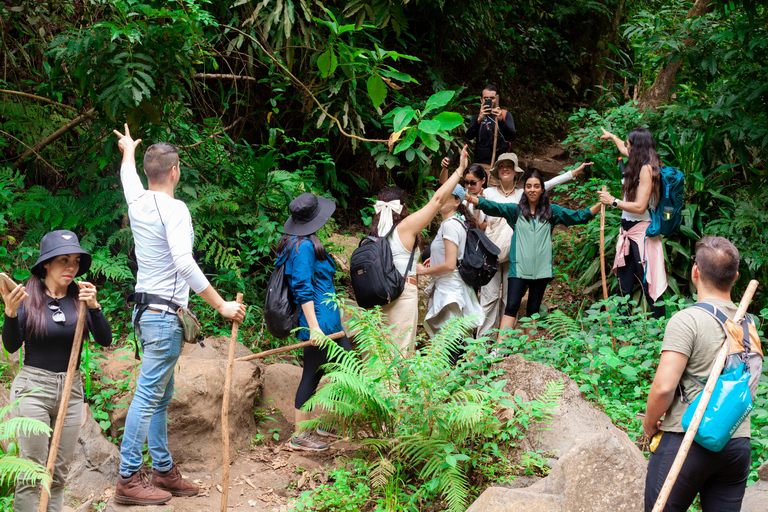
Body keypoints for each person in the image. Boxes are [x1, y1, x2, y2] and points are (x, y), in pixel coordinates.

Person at [113, 125, 247, 504]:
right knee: (148, 394)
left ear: (150, 171)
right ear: (175, 172)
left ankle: (163, 470)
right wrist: (221, 304)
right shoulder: (176, 209)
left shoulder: (136, 200)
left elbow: (128, 178)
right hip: (162, 316)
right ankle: (127, 478)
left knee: (159, 393)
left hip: (145, 313)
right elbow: (183, 262)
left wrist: (127, 152)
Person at [1, 230, 113, 512]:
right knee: (32, 472)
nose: (71, 267)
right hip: (34, 390)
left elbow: (105, 340)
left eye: (75, 261)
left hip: (71, 392)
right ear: (46, 265)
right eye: (63, 260)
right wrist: (11, 314)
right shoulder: (27, 298)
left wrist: (95, 307)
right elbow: (12, 346)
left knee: (58, 474)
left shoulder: (81, 297)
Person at [643, 236, 750, 511]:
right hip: (736, 444)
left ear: (695, 272)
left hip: (687, 439)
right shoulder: (749, 326)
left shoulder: (687, 320)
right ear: (735, 277)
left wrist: (650, 423)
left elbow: (664, 387)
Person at [469, 172, 600, 339]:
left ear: (542, 189)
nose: (532, 190)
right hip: (519, 268)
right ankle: (500, 349)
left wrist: (600, 204)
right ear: (524, 189)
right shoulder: (514, 210)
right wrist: (468, 197)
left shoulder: (552, 211)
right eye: (529, 186)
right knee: (512, 307)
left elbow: (579, 216)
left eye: (536, 186)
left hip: (541, 270)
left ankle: (530, 351)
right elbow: (491, 206)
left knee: (533, 311)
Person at [371, 147, 470, 353]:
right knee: (401, 351)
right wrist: (459, 170)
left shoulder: (377, 232)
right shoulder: (404, 228)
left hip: (380, 295)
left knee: (384, 353)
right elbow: (437, 200)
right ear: (403, 207)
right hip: (402, 294)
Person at [276, 192, 351, 452]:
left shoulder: (302, 242)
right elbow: (302, 288)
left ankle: (320, 425)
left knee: (325, 371)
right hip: (319, 323)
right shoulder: (303, 246)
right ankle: (300, 435)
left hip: (328, 322)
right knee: (337, 371)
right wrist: (315, 328)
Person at [598, 127, 667, 318]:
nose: (625, 146)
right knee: (623, 285)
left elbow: (640, 207)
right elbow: (622, 147)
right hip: (627, 233)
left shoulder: (647, 169)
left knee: (649, 285)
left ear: (636, 148)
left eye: (628, 143)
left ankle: (659, 329)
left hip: (642, 234)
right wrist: (612, 136)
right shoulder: (639, 161)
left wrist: (612, 201)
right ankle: (623, 332)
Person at [417, 184, 483, 363]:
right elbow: (453, 256)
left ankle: (451, 385)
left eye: (446, 195)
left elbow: (450, 264)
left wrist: (424, 270)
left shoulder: (450, 225)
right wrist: (435, 258)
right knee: (455, 341)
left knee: (450, 343)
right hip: (454, 286)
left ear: (457, 201)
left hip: (450, 290)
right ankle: (458, 385)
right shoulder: (456, 222)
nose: (440, 198)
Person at [464, 84, 517, 168]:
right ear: (481, 100)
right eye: (486, 98)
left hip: (500, 165)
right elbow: (469, 136)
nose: (489, 100)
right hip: (480, 163)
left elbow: (512, 137)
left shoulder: (504, 115)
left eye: (492, 98)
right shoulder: (476, 117)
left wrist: (501, 121)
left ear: (497, 98)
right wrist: (479, 120)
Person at [440, 162, 488, 230]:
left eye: (473, 183)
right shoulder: (462, 192)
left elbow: (482, 221)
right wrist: (445, 169)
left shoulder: (488, 196)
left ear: (483, 180)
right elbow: (444, 187)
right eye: (466, 182)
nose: (469, 186)